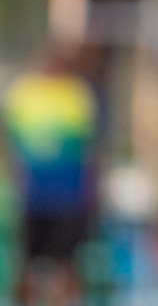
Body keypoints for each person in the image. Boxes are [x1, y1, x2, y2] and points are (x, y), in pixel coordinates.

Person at [1, 44, 100, 306]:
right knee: (26, 262)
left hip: (68, 195)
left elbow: (90, 148)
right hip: (34, 194)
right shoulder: (24, 92)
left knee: (68, 262)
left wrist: (92, 189)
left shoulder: (77, 93)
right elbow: (10, 143)